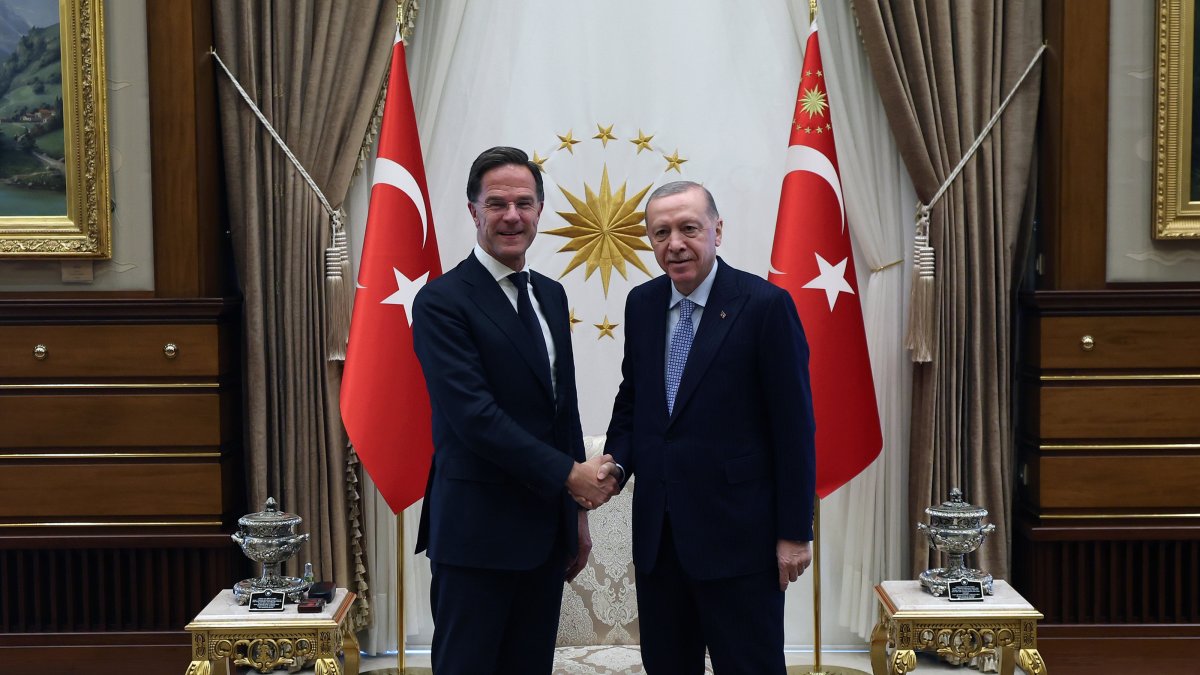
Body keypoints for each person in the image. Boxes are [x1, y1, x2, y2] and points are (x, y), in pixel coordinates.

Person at [412, 146, 619, 674]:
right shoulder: (442, 301)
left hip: (544, 534)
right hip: (476, 536)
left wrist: (575, 517)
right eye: (497, 203)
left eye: (524, 203)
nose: (512, 216)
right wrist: (570, 475)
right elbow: (474, 417)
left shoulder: (550, 295)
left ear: (540, 211)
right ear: (473, 211)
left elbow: (562, 413)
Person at [603, 181, 816, 674]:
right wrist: (615, 463)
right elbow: (634, 402)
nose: (674, 243)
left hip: (741, 542)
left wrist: (793, 533)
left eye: (688, 228)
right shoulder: (642, 305)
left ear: (717, 231)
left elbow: (794, 429)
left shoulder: (765, 306)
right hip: (660, 540)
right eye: (661, 233)